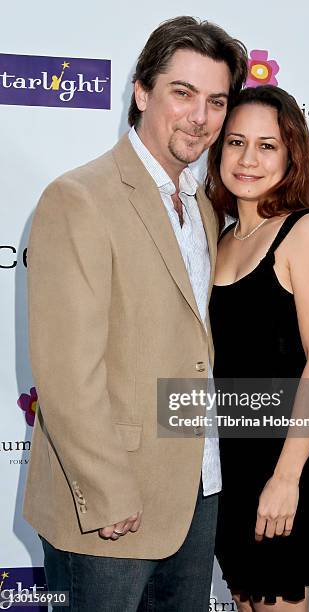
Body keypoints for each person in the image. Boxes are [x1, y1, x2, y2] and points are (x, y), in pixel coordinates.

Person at [23, 16, 247, 612]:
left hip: (198, 490)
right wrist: (109, 491)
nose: (199, 117)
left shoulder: (201, 207)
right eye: (183, 93)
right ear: (142, 91)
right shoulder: (80, 198)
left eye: (216, 101)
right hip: (111, 505)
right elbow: (68, 371)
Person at [206, 85, 309, 611]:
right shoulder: (218, 239)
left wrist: (286, 478)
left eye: (267, 146)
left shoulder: (306, 232)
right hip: (224, 464)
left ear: (291, 155)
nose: (247, 159)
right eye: (236, 142)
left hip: (282, 461)